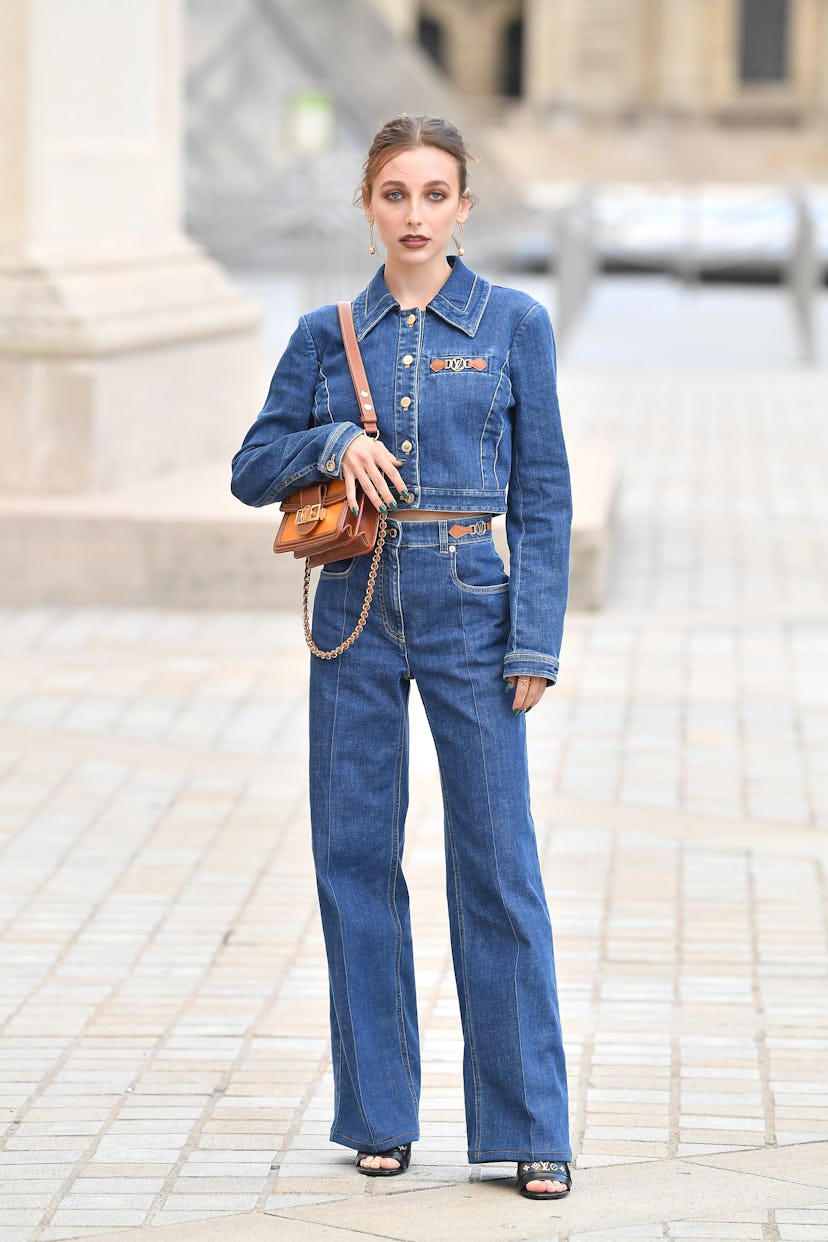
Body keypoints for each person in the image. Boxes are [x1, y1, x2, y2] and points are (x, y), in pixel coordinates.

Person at [231, 114, 573, 1201]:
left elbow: (546, 495)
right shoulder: (325, 336)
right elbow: (251, 466)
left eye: (435, 195)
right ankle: (378, 1116)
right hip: (357, 606)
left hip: (476, 604)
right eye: (396, 195)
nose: (416, 216)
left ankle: (530, 1129)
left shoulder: (514, 323)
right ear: (367, 206)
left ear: (466, 206)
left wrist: (536, 638)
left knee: (498, 869)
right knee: (353, 857)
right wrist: (333, 440)